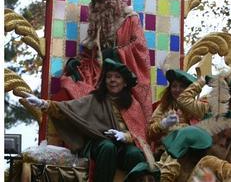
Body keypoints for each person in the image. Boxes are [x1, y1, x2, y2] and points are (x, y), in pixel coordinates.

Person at [24, 59, 156, 182]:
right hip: (99, 144)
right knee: (108, 147)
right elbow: (68, 110)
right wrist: (43, 104)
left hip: (124, 146)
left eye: (117, 77)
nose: (112, 80)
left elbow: (140, 133)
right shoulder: (95, 99)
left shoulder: (133, 104)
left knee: (134, 154)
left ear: (125, 82)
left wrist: (125, 136)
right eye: (109, 77)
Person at [61, 0, 153, 127]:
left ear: (112, 3)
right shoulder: (97, 23)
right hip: (99, 72)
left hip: (123, 74)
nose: (97, 6)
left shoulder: (130, 19)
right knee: (68, 83)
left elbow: (139, 48)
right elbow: (90, 51)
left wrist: (114, 53)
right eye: (94, 2)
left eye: (101, 2)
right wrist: (77, 62)